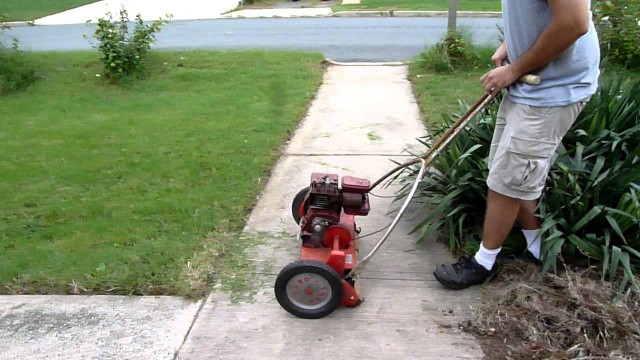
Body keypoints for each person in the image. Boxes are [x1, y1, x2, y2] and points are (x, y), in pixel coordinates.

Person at [433, 0, 600, 290]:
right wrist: (510, 43)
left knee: (508, 179)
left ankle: (483, 262)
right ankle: (537, 252)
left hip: (553, 88)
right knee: (513, 172)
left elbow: (574, 23)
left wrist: (515, 69)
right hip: (532, 83)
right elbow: (534, 13)